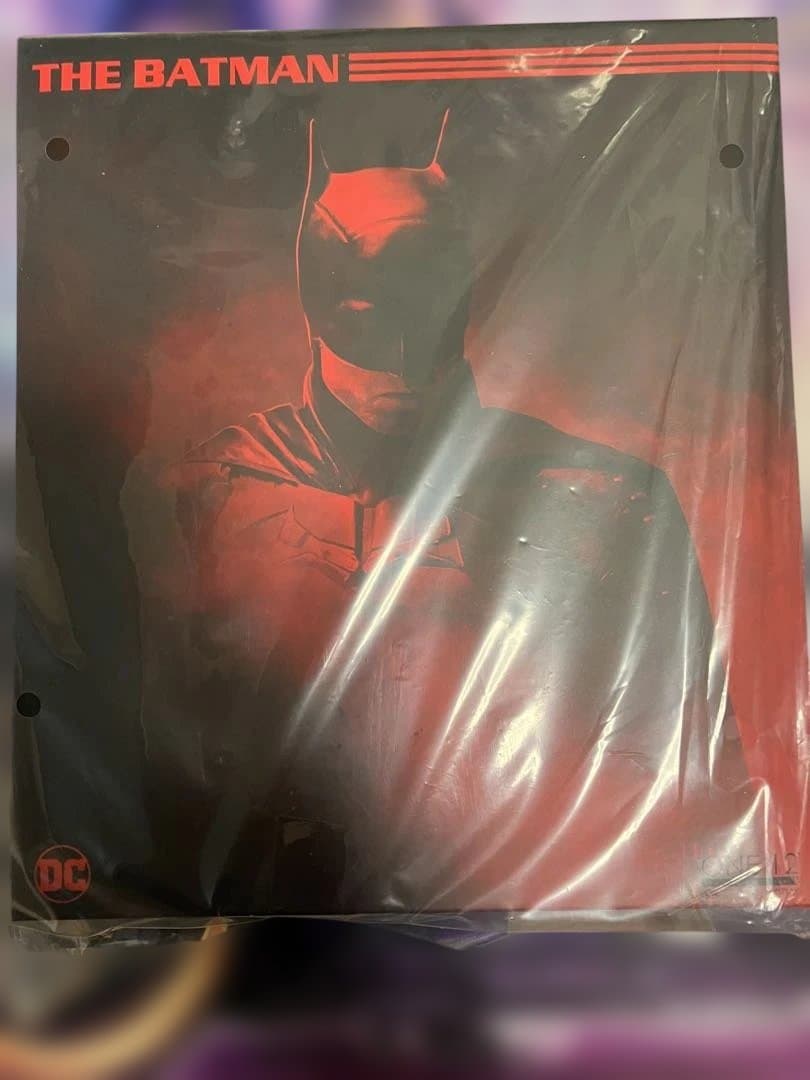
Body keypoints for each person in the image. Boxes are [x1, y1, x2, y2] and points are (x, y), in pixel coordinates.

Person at [167, 114, 752, 918]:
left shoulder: (607, 495)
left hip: (547, 903)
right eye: (367, 304)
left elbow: (687, 759)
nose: (403, 348)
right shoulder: (223, 484)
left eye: (425, 300)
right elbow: (170, 744)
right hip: (286, 915)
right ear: (320, 300)